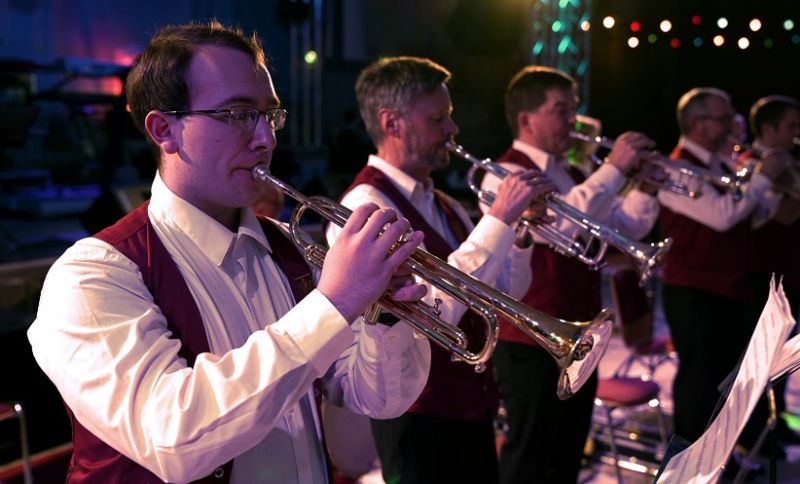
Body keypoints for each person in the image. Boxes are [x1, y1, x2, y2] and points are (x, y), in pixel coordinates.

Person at [26, 21, 434, 483]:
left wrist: (383, 312)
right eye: (239, 115)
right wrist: (334, 304)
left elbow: (379, 398)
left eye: (270, 115)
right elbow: (175, 440)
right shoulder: (91, 275)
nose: (267, 139)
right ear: (164, 130)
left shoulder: (289, 247)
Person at [325, 56, 553, 484]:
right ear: (391, 123)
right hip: (420, 418)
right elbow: (427, 314)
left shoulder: (444, 203)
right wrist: (498, 220)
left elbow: (506, 292)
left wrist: (519, 233)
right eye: (437, 118)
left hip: (471, 407)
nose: (453, 129)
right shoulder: (365, 206)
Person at [481, 65, 661, 484]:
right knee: (529, 457)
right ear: (527, 119)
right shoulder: (504, 172)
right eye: (561, 110)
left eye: (574, 109)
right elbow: (559, 226)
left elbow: (624, 227)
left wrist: (646, 187)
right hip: (529, 342)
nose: (573, 122)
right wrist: (614, 170)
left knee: (567, 455)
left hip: (580, 335)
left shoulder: (573, 172)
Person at [657, 87, 790, 449]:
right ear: (698, 124)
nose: (733, 125)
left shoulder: (717, 164)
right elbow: (722, 216)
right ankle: (685, 461)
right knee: (698, 387)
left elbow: (748, 220)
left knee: (719, 384)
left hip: (725, 288)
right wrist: (763, 178)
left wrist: (771, 190)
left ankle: (719, 459)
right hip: (695, 292)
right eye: (724, 118)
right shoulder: (676, 168)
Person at [744, 95, 800, 449]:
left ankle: (775, 421)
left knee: (785, 356)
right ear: (768, 128)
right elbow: (783, 215)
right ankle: (756, 432)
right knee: (763, 358)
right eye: (791, 126)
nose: (797, 134)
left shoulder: (788, 165)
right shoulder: (752, 164)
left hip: (791, 272)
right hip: (764, 277)